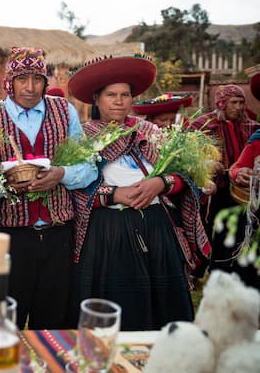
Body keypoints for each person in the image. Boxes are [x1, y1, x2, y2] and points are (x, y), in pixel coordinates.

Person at [67, 54, 210, 330]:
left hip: (157, 230)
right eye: (111, 95)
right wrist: (112, 194)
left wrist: (161, 183)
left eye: (125, 94)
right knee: (119, 305)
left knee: (164, 307)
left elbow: (185, 178)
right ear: (97, 99)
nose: (119, 101)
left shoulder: (150, 132)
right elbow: (73, 189)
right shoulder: (82, 138)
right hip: (109, 233)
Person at [0, 47, 97, 329]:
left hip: (58, 234)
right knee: (7, 320)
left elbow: (89, 167)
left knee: (53, 320)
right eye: (22, 79)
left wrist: (61, 174)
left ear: (46, 82)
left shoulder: (64, 112)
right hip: (9, 238)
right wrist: (5, 184)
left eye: (37, 79)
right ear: (9, 82)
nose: (31, 88)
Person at [189, 84, 259, 270]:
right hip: (216, 190)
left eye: (241, 102)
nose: (238, 107)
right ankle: (216, 268)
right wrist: (207, 163)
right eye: (233, 102)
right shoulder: (203, 125)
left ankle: (240, 269)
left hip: (244, 190)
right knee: (218, 230)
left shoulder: (251, 127)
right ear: (221, 103)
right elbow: (188, 154)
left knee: (244, 230)